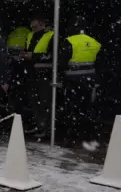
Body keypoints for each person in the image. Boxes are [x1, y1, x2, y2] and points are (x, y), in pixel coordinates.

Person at [59, 17, 101, 146]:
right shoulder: (94, 42)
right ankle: (89, 136)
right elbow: (99, 63)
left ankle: (70, 138)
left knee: (71, 109)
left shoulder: (70, 41)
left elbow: (62, 62)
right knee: (87, 108)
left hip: (72, 80)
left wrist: (60, 76)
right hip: (89, 80)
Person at [21, 14, 55, 138]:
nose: (33, 29)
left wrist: (33, 56)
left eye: (35, 26)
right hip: (31, 73)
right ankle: (39, 125)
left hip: (45, 74)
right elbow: (29, 49)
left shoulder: (52, 36)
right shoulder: (30, 35)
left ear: (42, 25)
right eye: (31, 27)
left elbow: (53, 55)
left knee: (45, 102)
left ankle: (46, 128)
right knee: (34, 101)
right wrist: (24, 55)